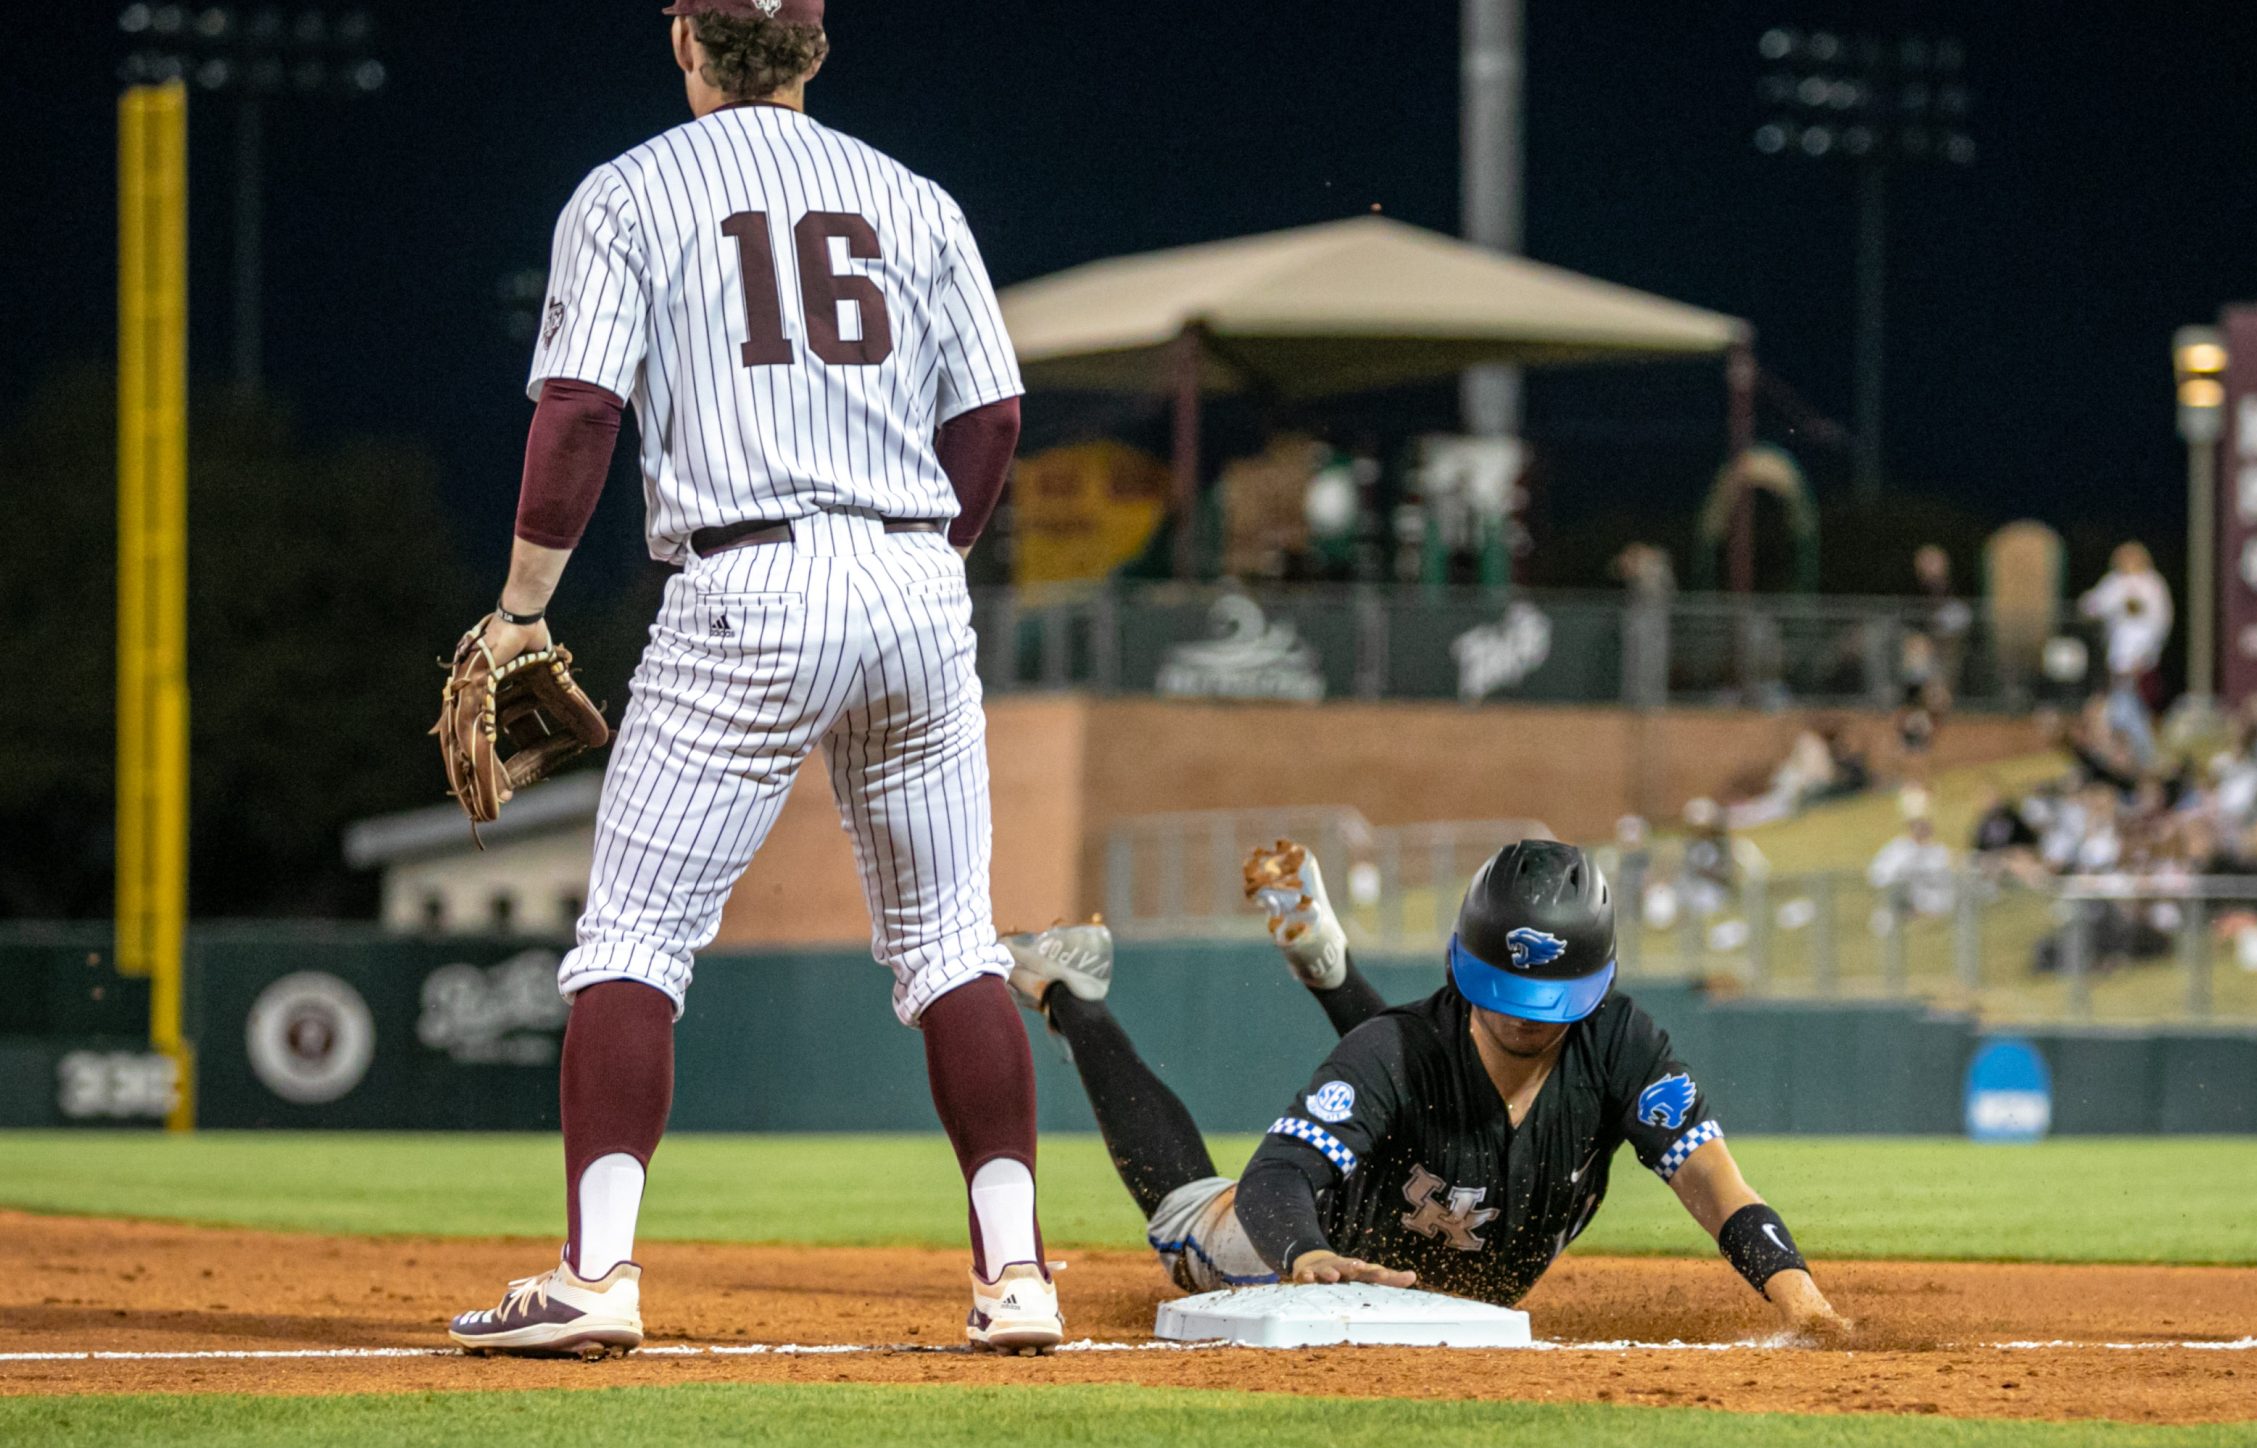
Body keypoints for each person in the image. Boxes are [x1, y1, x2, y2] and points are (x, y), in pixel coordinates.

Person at [448, 0, 1059, 1356]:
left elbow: (583, 409)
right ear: (815, 45)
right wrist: (921, 563)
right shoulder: (915, 198)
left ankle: (596, 1270)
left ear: (686, 41)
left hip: (747, 579)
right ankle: (1017, 1275)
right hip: (915, 576)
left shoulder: (631, 192)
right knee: (955, 941)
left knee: (632, 942)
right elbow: (996, 414)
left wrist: (519, 613)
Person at [1000, 841, 1848, 1334]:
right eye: (1499, 995)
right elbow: (1277, 1175)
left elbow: (1713, 1183)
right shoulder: (1397, 1048)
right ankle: (1071, 990)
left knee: (1420, 1072)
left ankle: (1331, 969)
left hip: (1445, 1243)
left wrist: (1796, 1291)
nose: (1521, 1020)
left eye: (1544, 1006)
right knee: (1187, 1215)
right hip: (1332, 1248)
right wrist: (1305, 1254)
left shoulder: (1622, 1042)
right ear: (1460, 967)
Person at [2077, 542, 2173, 767]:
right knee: (2116, 706)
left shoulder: (2153, 584)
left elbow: (2161, 621)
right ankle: (2118, 756)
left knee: (2137, 707)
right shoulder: (2115, 583)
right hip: (2117, 656)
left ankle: (2144, 756)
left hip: (2142, 659)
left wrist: (2147, 654)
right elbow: (2095, 605)